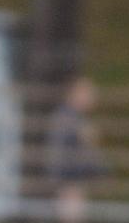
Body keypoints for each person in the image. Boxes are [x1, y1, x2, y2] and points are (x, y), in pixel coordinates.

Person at [46, 76, 108, 223]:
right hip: (69, 182)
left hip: (72, 181)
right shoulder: (68, 119)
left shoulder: (74, 119)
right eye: (88, 93)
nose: (93, 97)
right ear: (76, 93)